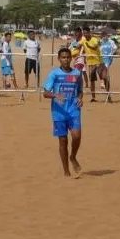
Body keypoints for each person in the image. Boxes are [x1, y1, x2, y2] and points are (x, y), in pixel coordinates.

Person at [43, 48, 84, 178]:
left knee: (76, 136)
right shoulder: (54, 74)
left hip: (73, 109)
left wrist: (80, 98)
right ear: (59, 59)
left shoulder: (77, 73)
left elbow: (80, 90)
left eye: (68, 57)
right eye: (63, 57)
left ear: (71, 58)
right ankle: (66, 171)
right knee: (63, 140)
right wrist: (55, 95)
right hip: (58, 111)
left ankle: (73, 157)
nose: (66, 60)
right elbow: (45, 93)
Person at [81, 26, 103, 102]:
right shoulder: (83, 40)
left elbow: (94, 47)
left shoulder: (94, 39)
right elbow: (78, 46)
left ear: (89, 32)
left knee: (104, 78)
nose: (85, 34)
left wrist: (87, 45)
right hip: (90, 63)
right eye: (84, 33)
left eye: (86, 33)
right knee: (92, 80)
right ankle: (93, 97)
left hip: (98, 62)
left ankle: (108, 94)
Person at [98, 31, 118, 100]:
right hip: (101, 59)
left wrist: (111, 53)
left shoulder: (111, 42)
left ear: (107, 36)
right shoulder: (101, 42)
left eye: (105, 36)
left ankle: (102, 82)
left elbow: (115, 48)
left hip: (108, 59)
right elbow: (99, 49)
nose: (104, 37)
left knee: (105, 71)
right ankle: (108, 92)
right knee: (102, 74)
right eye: (103, 36)